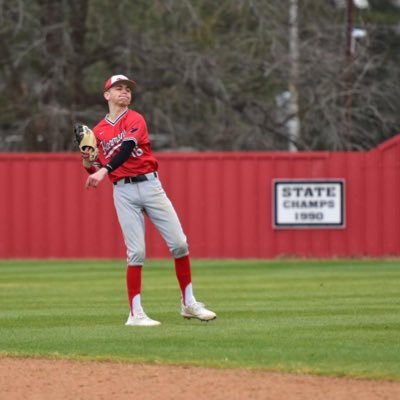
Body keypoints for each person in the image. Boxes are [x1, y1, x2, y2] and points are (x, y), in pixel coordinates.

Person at [79, 74, 216, 326]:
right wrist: (88, 161)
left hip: (150, 185)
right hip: (123, 191)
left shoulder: (135, 119)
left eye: (128, 89)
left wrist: (102, 170)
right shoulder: (98, 130)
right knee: (136, 253)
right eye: (118, 89)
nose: (124, 92)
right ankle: (136, 314)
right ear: (106, 95)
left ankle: (189, 303)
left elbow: (126, 149)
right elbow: (94, 167)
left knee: (180, 244)